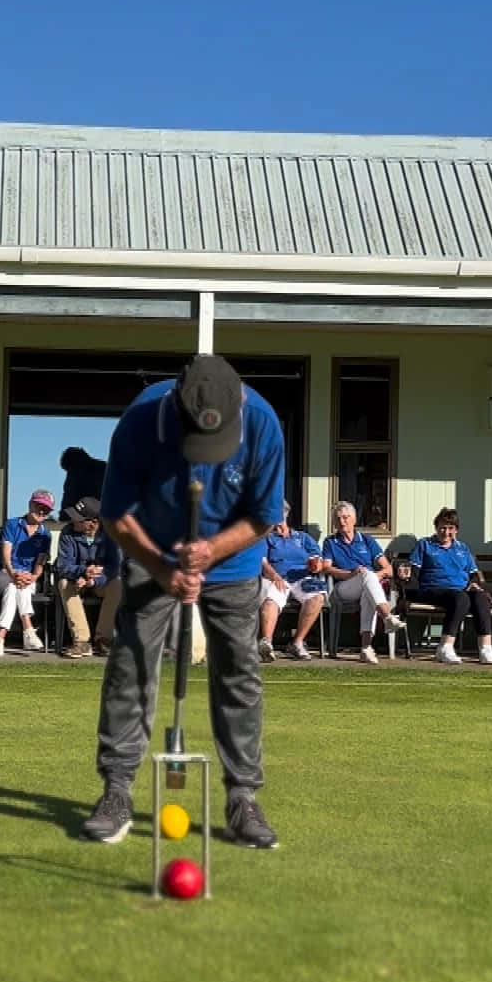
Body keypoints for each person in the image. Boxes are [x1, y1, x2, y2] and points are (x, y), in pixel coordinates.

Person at [82, 353, 285, 851]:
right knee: (131, 666)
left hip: (233, 564)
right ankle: (117, 790)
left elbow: (263, 515)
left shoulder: (262, 423)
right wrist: (162, 569)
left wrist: (211, 551)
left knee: (239, 671)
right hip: (150, 550)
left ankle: (243, 798)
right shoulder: (139, 421)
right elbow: (116, 516)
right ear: (175, 406)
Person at [407, 507, 492, 665]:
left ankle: (485, 648)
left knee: (480, 597)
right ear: (436, 527)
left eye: (450, 528)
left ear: (456, 530)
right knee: (461, 598)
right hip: (432, 589)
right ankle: (445, 647)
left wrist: (475, 584)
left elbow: (473, 574)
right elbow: (413, 571)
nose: (446, 532)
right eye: (442, 527)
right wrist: (407, 587)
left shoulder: (462, 548)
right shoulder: (425, 545)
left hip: (459, 591)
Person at [322, 501, 403, 665]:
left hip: (367, 582)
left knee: (369, 587)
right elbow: (326, 568)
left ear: (354, 519)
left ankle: (366, 648)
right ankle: (387, 616)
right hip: (343, 586)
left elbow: (388, 568)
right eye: (338, 519)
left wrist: (376, 575)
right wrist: (349, 574)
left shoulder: (367, 540)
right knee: (368, 577)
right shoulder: (331, 542)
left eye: (345, 517)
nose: (342, 522)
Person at [0, 489, 55, 657]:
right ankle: (29, 631)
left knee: (14, 589)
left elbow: (40, 563)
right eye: (39, 506)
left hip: (26, 579)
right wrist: (14, 574)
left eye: (46, 509)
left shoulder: (46, 534)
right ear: (30, 504)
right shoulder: (12, 524)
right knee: (13, 584)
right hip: (5, 573)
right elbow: (6, 557)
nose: (41, 511)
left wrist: (33, 577)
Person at [55, 496, 123, 659]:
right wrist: (83, 572)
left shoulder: (111, 534)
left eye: (79, 519)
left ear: (93, 522)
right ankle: (82, 642)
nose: (73, 521)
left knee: (118, 584)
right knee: (64, 584)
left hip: (101, 582)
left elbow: (115, 566)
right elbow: (63, 566)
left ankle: (103, 640)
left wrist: (94, 580)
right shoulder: (67, 532)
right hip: (77, 581)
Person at [259, 503, 327, 662]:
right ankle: (267, 644)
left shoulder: (303, 537)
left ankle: (297, 643)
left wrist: (316, 565)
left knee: (317, 598)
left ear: (286, 515)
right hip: (277, 577)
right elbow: (263, 562)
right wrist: (275, 576)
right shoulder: (267, 538)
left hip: (302, 576)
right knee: (271, 601)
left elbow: (319, 560)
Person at [58, 446, 108, 512]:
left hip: (101, 512)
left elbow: (67, 505)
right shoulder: (106, 468)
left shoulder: (74, 474)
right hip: (112, 512)